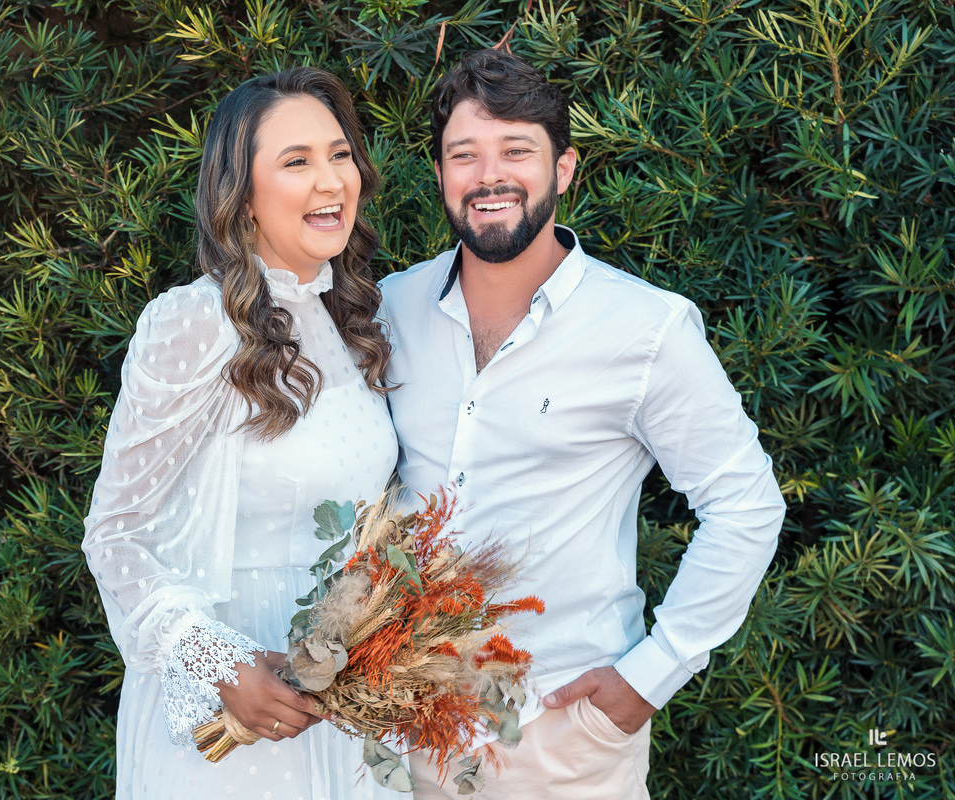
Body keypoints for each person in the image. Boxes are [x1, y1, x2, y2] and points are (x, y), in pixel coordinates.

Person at [377, 49, 787, 798]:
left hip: (559, 734)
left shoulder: (646, 329)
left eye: (516, 151)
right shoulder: (390, 309)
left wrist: (652, 676)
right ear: (439, 173)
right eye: (464, 154)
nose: (489, 175)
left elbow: (746, 505)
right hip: (404, 730)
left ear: (563, 168)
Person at [81, 67, 400, 800]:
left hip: (345, 700)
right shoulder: (193, 323)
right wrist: (219, 666)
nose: (331, 181)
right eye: (297, 161)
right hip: (237, 714)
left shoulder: (352, 319)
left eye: (340, 154)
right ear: (242, 194)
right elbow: (114, 533)